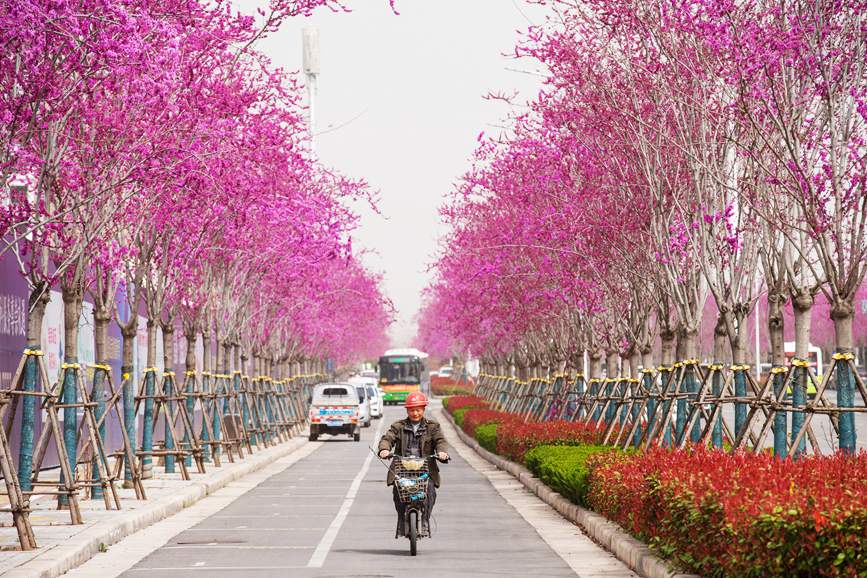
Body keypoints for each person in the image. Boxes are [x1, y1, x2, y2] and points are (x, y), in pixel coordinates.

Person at [377, 392, 449, 538]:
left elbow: (440, 441)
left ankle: (424, 520)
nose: (415, 413)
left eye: (418, 409)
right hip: (402, 469)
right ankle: (402, 522)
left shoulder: (432, 427)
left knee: (429, 491)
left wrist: (442, 453)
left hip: (425, 468)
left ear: (423, 409)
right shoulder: (398, 426)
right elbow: (388, 438)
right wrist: (384, 449)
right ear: (407, 410)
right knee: (398, 493)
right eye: (411, 410)